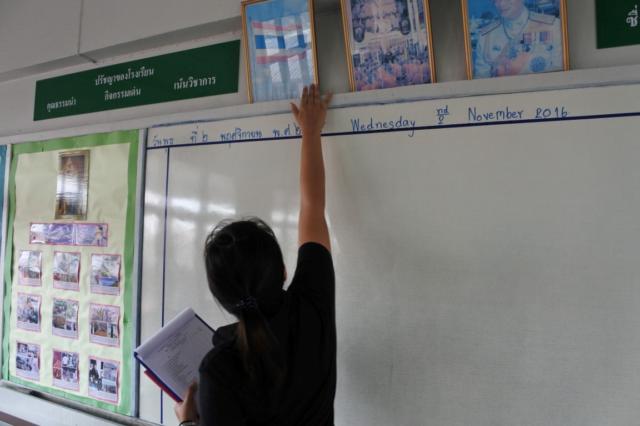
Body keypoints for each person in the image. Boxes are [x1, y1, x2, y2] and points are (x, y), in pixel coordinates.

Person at [174, 84, 335, 426]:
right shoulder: (312, 305)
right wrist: (310, 132)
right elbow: (313, 207)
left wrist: (187, 420)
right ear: (284, 270)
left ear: (222, 298)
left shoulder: (218, 368)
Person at [474, 0, 563, 78]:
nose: (501, 4)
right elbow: (482, 79)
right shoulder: (486, 37)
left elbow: (559, 74)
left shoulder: (553, 27)